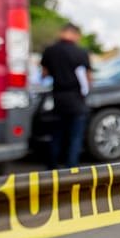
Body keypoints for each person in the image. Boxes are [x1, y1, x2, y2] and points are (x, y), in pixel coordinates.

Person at [41, 23, 92, 169]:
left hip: (58, 98)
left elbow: (44, 74)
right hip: (76, 99)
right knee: (75, 137)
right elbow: (88, 78)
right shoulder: (81, 52)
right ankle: (72, 168)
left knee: (56, 135)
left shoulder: (50, 50)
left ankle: (51, 167)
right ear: (75, 35)